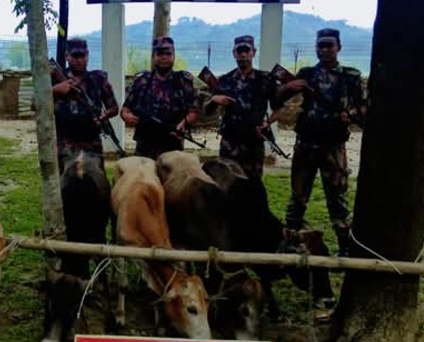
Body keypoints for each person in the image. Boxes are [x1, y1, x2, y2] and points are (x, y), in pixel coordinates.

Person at [280, 28, 366, 257]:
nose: (325, 50)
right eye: (321, 45)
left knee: (337, 199)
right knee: (298, 197)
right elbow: (279, 97)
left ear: (339, 47)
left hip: (333, 147)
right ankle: (290, 241)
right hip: (306, 145)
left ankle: (345, 246)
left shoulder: (350, 77)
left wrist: (351, 113)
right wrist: (289, 87)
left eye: (329, 45)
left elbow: (364, 110)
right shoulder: (307, 74)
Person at [203, 35, 282, 179]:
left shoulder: (265, 79)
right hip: (229, 144)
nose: (243, 55)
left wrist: (267, 122)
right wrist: (215, 99)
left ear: (254, 52)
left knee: (252, 187)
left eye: (247, 50)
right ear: (234, 53)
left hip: (254, 143)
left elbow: (280, 109)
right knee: (227, 185)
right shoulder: (225, 81)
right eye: (240, 51)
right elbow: (206, 111)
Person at [120, 36, 200, 160]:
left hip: (172, 145)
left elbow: (194, 111)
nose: (164, 58)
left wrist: (184, 123)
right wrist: (127, 116)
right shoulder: (142, 81)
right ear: (153, 57)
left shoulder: (183, 81)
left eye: (168, 54)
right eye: (160, 54)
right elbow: (125, 109)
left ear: (174, 56)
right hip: (144, 146)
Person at [51, 38, 119, 173]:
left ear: (87, 55)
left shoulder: (98, 79)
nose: (79, 60)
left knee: (96, 184)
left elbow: (114, 108)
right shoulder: (54, 79)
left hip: (92, 145)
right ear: (66, 56)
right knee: (66, 186)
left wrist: (103, 116)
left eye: (82, 56)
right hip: (65, 145)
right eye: (74, 56)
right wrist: (55, 90)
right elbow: (34, 104)